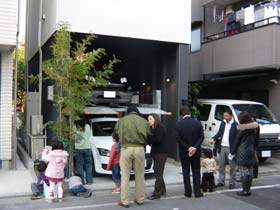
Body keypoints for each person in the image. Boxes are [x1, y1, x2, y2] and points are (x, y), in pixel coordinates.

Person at [113, 105, 151, 208]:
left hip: (125, 148)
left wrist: (119, 140)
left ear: (128, 112)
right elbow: (149, 135)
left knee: (125, 175)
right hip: (139, 149)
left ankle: (125, 201)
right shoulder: (144, 121)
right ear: (137, 112)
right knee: (140, 175)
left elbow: (115, 135)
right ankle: (140, 199)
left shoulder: (121, 121)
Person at [176, 106, 204, 198]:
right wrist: (194, 147)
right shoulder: (197, 123)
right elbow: (201, 137)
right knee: (196, 171)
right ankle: (197, 192)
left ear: (181, 115)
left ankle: (188, 192)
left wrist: (188, 148)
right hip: (196, 151)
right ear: (189, 113)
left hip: (184, 151)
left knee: (186, 171)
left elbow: (178, 139)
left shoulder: (179, 124)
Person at [232, 111, 259, 196]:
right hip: (251, 150)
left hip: (242, 151)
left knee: (243, 171)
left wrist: (232, 151)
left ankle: (244, 190)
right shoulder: (255, 127)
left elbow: (237, 141)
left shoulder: (241, 129)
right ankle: (248, 190)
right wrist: (254, 148)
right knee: (250, 171)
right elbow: (256, 140)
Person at [210, 108, 238, 189]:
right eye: (224, 116)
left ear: (231, 115)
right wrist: (213, 138)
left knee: (232, 167)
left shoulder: (235, 125)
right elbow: (219, 133)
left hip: (230, 148)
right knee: (221, 166)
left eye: (227, 116)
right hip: (222, 146)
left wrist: (234, 150)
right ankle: (221, 181)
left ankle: (232, 182)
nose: (225, 117)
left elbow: (236, 138)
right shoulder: (223, 123)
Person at [147, 113, 168, 200]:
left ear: (155, 119)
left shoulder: (159, 127)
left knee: (158, 173)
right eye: (148, 119)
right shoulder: (154, 128)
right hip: (157, 152)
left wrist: (149, 136)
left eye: (151, 119)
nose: (149, 121)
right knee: (158, 172)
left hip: (161, 153)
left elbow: (157, 139)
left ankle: (157, 193)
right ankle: (162, 190)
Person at [74, 119, 93, 185]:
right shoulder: (87, 126)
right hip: (87, 147)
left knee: (79, 165)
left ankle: (81, 181)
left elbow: (73, 137)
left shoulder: (74, 127)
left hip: (78, 148)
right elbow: (90, 135)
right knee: (88, 164)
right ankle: (89, 181)